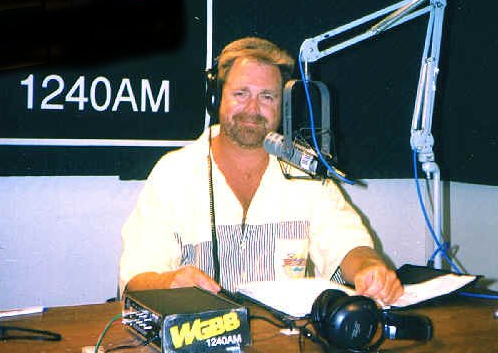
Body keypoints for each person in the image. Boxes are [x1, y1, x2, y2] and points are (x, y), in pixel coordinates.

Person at [119, 37, 403, 304]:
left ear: (283, 105)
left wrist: (369, 269)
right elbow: (136, 279)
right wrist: (169, 282)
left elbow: (348, 245)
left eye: (267, 96)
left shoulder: (305, 172)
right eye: (241, 93)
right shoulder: (173, 174)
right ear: (216, 98)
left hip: (286, 338)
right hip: (198, 336)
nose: (253, 109)